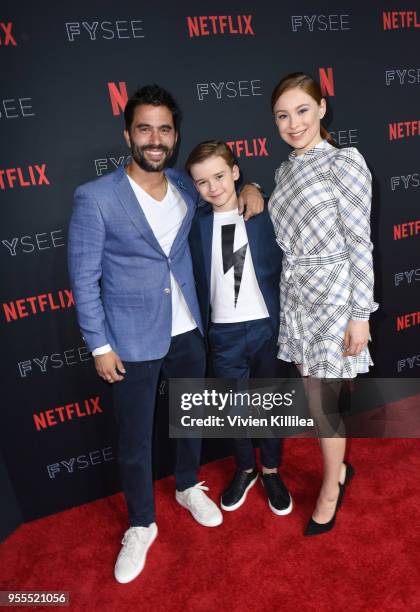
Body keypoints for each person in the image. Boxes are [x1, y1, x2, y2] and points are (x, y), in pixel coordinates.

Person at [68, 85, 264, 583]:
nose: (155, 138)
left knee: (189, 418)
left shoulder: (184, 185)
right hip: (129, 339)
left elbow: (223, 190)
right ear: (127, 134)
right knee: (134, 439)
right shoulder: (95, 198)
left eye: (164, 129)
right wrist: (99, 344)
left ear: (175, 137)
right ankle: (140, 524)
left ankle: (186, 484)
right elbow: (83, 278)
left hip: (189, 331)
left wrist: (250, 188)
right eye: (144, 128)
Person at [268, 73, 378, 535]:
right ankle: (339, 471)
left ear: (322, 108)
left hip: (335, 292)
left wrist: (360, 315)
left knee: (322, 401)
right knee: (316, 399)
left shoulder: (344, 163)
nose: (293, 123)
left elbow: (360, 242)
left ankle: (331, 487)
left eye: (302, 110)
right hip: (297, 296)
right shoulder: (282, 171)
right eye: (282, 115)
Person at [186, 140, 292, 517]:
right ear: (194, 187)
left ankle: (272, 471)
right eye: (202, 182)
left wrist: (255, 188)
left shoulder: (262, 212)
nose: (213, 187)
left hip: (266, 325)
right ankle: (245, 469)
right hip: (223, 333)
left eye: (219, 175)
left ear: (235, 171)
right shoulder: (194, 223)